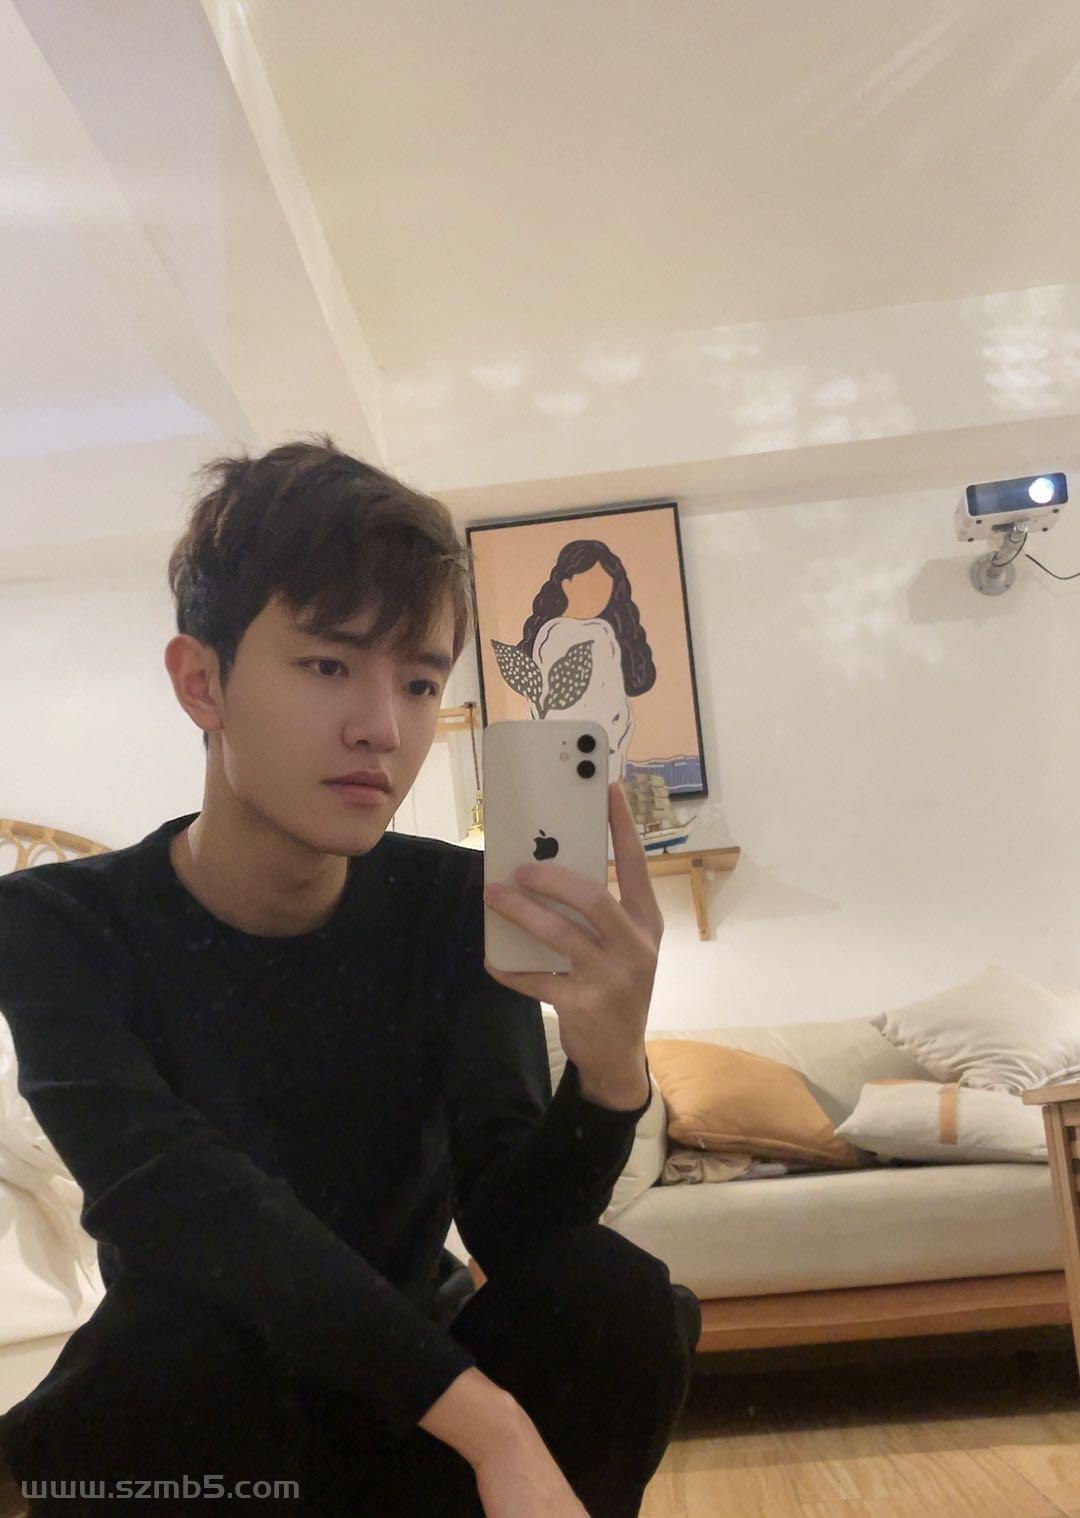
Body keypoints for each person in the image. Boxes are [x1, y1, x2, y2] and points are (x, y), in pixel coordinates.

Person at [0, 436, 701, 1517]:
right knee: (185, 1351)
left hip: (406, 1399)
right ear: (202, 682)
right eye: (328, 665)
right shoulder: (58, 924)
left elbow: (519, 1235)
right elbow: (186, 1203)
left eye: (419, 682)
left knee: (617, 1299)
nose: (383, 727)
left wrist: (610, 1079)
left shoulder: (450, 906)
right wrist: (493, 1430)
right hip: (187, 1424)